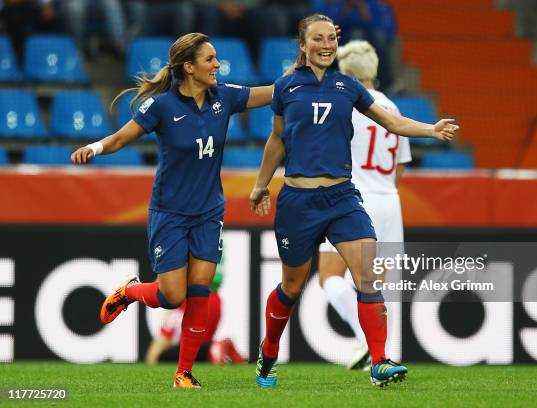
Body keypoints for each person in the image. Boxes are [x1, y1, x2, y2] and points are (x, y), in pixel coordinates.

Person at [249, 14, 458, 388]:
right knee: (292, 287)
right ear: (303, 44)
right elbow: (277, 139)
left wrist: (430, 129)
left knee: (367, 276)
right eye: (318, 39)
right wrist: (261, 184)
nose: (326, 45)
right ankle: (268, 351)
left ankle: (379, 361)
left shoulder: (348, 87)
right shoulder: (285, 87)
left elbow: (391, 123)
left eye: (331, 38)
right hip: (298, 200)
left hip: (343, 197)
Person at [71, 32, 276, 389]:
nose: (217, 65)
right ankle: (131, 291)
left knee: (201, 290)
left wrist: (306, 70)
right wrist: (95, 147)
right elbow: (121, 138)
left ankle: (184, 372)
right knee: (172, 296)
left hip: (209, 211)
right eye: (209, 59)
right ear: (189, 67)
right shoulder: (162, 106)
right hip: (170, 213)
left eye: (216, 58)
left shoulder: (224, 96)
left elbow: (272, 92)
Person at [316, 39, 410, 370]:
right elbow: (400, 165)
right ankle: (381, 351)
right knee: (375, 286)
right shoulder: (394, 109)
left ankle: (367, 339)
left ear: (350, 74)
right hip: (389, 200)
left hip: (355, 199)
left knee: (329, 276)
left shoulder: (350, 105)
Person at [145, 270, 245, 365]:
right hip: (211, 302)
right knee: (198, 343)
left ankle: (212, 350)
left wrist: (152, 357)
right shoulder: (216, 297)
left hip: (196, 305)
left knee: (162, 356)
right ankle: (216, 349)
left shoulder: (185, 299)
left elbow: (165, 337)